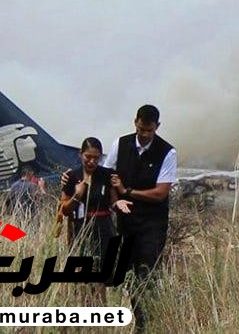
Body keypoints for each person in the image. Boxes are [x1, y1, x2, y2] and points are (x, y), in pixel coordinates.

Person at [103, 105, 177, 330]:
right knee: (127, 273)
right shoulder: (120, 144)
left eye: (149, 130)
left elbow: (160, 193)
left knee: (146, 272)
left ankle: (146, 323)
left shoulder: (167, 152)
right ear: (135, 122)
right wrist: (116, 201)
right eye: (141, 129)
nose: (144, 134)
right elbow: (109, 176)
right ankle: (136, 319)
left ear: (157, 127)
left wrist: (128, 192)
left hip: (152, 224)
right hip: (126, 222)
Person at [60, 137, 132, 302]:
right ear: (80, 154)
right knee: (82, 276)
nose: (91, 161)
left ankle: (100, 311)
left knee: (100, 276)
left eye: (96, 158)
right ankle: (84, 309)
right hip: (80, 229)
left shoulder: (107, 175)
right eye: (88, 157)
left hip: (103, 230)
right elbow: (64, 209)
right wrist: (77, 195)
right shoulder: (71, 176)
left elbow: (113, 201)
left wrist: (118, 203)